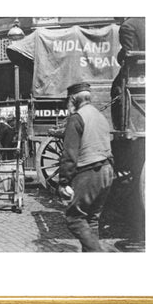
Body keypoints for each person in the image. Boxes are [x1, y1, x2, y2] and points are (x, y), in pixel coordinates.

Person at [58, 82, 114, 252]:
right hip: (107, 170)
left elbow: (70, 155)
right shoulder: (100, 116)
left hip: (89, 172)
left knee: (74, 218)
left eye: (69, 100)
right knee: (92, 219)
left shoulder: (77, 117)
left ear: (73, 99)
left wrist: (63, 182)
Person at [111, 17, 145, 130]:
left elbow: (128, 53)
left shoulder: (128, 26)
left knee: (116, 88)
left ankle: (121, 127)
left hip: (137, 72)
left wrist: (120, 56)